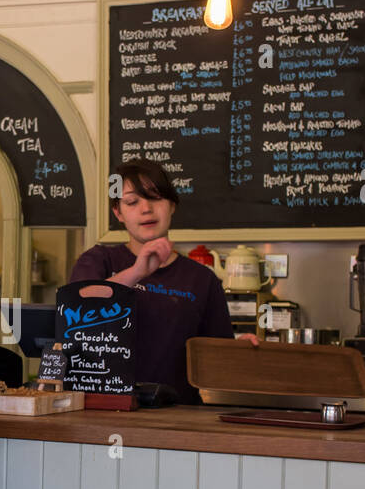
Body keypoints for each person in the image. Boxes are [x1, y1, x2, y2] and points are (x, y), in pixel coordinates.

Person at [68, 158, 249, 403]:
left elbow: (217, 361)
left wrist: (240, 352)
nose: (146, 209)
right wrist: (137, 272)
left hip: (178, 416)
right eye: (132, 202)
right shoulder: (99, 260)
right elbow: (74, 310)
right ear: (118, 213)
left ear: (172, 205)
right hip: (103, 408)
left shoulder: (203, 279)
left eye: (155, 198)